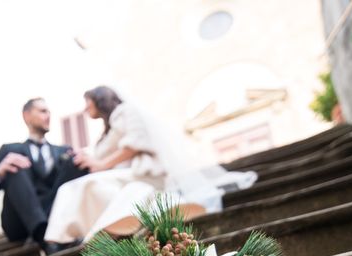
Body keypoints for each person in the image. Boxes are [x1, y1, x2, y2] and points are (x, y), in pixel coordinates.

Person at [44, 86, 226, 244]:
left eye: (87, 101)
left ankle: (62, 237)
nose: (85, 108)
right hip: (122, 175)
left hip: (141, 173)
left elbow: (134, 143)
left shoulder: (125, 111)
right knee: (92, 189)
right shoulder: (108, 128)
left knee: (83, 186)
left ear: (99, 99)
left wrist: (100, 164)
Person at [0, 98, 88, 253]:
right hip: (19, 223)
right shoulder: (9, 149)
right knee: (15, 165)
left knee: (77, 161)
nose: (48, 116)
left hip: (53, 212)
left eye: (49, 112)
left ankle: (65, 228)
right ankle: (45, 235)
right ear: (26, 116)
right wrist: (1, 169)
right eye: (42, 111)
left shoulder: (63, 150)